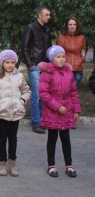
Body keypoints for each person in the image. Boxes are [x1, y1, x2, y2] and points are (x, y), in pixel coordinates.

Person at [0, 50, 31, 177]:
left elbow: (27, 91)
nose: (10, 65)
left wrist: (22, 100)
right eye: (7, 62)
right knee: (2, 138)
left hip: (16, 111)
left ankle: (12, 162)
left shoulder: (19, 76)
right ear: (2, 63)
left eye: (12, 62)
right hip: (2, 111)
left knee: (13, 138)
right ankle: (2, 162)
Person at [38, 46, 81, 178]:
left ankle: (69, 165)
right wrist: (57, 107)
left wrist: (76, 109)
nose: (62, 59)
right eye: (58, 57)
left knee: (66, 138)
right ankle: (51, 165)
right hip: (53, 111)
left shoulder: (69, 72)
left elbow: (73, 92)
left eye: (63, 56)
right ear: (52, 59)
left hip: (67, 109)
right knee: (52, 138)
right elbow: (43, 93)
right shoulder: (47, 73)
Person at [20, 7, 52, 134]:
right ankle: (36, 123)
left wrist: (49, 64)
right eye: (47, 14)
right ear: (39, 15)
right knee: (37, 94)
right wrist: (30, 64)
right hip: (34, 65)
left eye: (49, 15)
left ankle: (42, 121)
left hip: (45, 66)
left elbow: (49, 48)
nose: (49, 17)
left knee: (44, 94)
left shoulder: (47, 29)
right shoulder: (31, 28)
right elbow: (24, 46)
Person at [56, 17, 87, 86]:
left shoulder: (81, 37)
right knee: (65, 89)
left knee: (73, 89)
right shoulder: (61, 37)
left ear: (77, 26)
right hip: (65, 68)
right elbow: (58, 53)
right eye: (70, 24)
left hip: (78, 69)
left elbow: (83, 51)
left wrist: (81, 60)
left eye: (74, 24)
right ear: (67, 26)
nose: (72, 26)